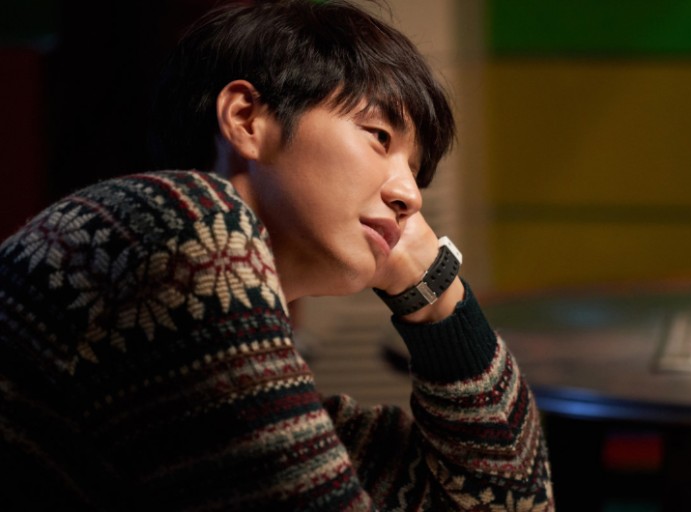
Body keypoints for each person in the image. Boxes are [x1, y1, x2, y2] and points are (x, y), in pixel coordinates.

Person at [0, 0, 554, 510]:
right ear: (246, 119)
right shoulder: (175, 220)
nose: (411, 196)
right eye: (380, 137)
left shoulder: (209, 388)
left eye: (414, 170)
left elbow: (511, 503)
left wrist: (432, 288)